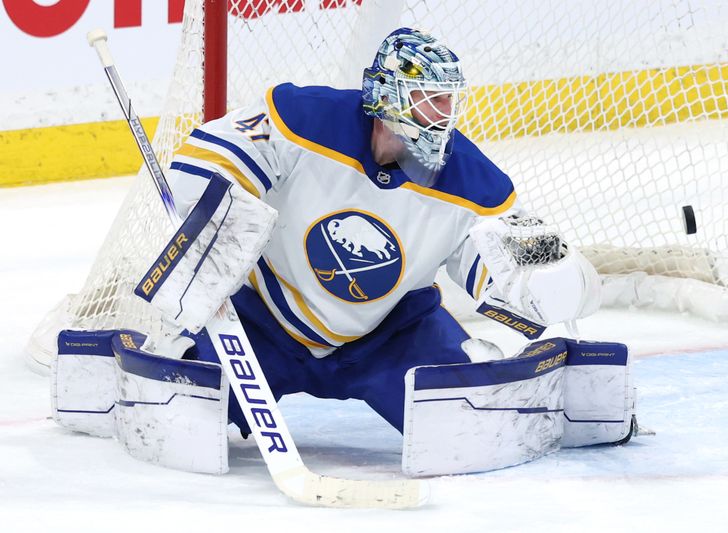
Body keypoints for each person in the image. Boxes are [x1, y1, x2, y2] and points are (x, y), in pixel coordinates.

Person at [165, 27, 600, 435]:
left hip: (394, 338)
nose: (445, 115)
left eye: (449, 100)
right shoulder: (303, 119)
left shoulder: (474, 181)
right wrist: (214, 194)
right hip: (265, 323)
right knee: (184, 412)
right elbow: (209, 157)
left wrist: (548, 281)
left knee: (470, 424)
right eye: (429, 98)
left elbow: (503, 265)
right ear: (387, 96)